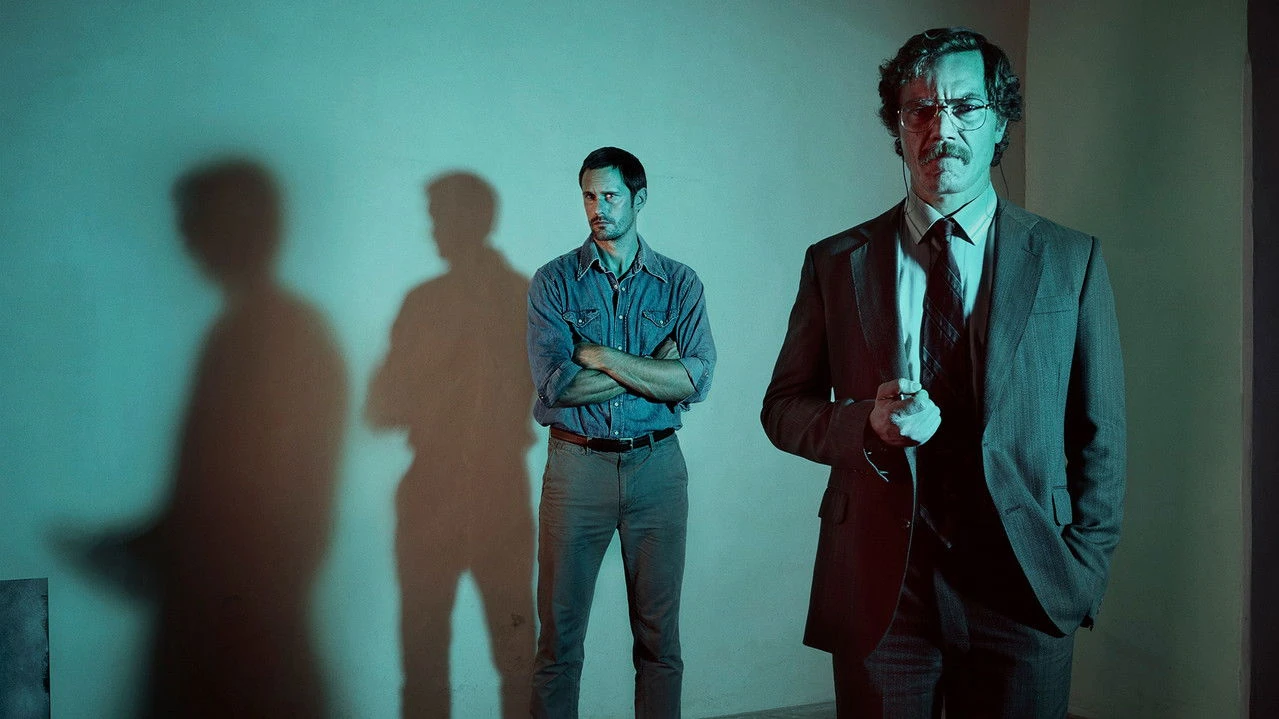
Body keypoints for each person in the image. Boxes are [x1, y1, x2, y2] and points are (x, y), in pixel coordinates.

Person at [760, 27, 1126, 719]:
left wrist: (1082, 570)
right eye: (920, 109)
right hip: (882, 591)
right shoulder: (835, 262)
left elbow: (1099, 434)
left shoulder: (1069, 260)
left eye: (965, 107)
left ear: (1000, 122)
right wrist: (863, 424)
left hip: (1026, 585)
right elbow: (782, 408)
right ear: (898, 129)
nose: (941, 128)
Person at [526, 146, 716, 718]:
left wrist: (601, 356)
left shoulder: (679, 284)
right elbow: (556, 386)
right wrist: (650, 370)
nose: (598, 208)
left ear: (639, 198)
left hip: (657, 468)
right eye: (589, 196)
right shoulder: (554, 282)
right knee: (559, 638)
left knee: (660, 639)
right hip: (576, 468)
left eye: (610, 196)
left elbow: (695, 379)